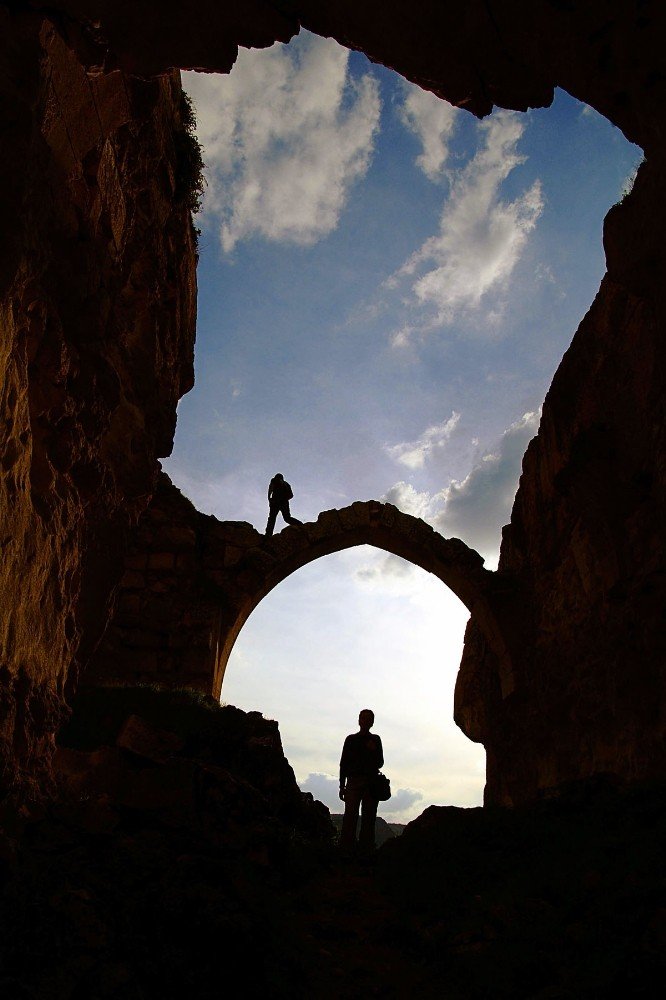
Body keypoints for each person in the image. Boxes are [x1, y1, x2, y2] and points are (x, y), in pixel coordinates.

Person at [339, 709, 384, 856]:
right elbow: (343, 764)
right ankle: (348, 851)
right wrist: (342, 785)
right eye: (364, 718)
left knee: (367, 818)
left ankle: (364, 852)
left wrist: (373, 750)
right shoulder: (351, 739)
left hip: (369, 783)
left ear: (372, 722)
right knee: (350, 817)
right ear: (359, 720)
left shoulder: (375, 740)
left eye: (368, 718)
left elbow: (380, 762)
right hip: (354, 782)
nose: (365, 721)